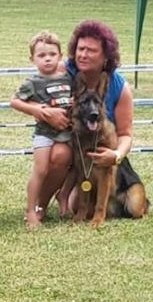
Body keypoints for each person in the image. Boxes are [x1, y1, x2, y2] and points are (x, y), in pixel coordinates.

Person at [13, 20, 144, 219]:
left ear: (105, 56)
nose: (83, 54)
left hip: (100, 152)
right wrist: (42, 111)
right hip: (70, 143)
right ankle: (41, 205)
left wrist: (116, 155)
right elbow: (29, 93)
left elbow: (125, 134)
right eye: (80, 49)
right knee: (61, 154)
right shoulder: (63, 72)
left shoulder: (119, 86)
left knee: (121, 207)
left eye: (91, 50)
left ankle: (73, 197)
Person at [10, 31, 73, 229]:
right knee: (40, 169)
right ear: (32, 59)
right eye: (41, 55)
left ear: (60, 56)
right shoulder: (33, 82)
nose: (47, 59)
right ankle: (31, 209)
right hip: (44, 133)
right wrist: (37, 110)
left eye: (52, 54)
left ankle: (62, 195)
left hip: (66, 133)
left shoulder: (69, 79)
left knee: (69, 161)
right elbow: (15, 101)